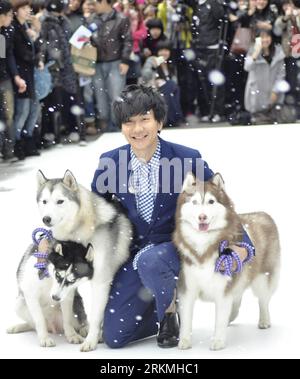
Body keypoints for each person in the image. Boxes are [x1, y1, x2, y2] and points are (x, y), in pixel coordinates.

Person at [91, 84, 254, 349]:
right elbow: (92, 210)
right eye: (129, 122)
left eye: (145, 119)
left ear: (159, 122)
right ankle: (158, 302)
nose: (137, 129)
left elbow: (220, 205)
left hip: (175, 250)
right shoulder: (111, 162)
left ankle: (169, 314)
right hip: (133, 255)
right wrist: (50, 240)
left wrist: (242, 245)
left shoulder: (186, 159)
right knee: (115, 336)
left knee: (153, 260)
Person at [244, 29, 285, 114]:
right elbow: (247, 67)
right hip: (256, 95)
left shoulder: (278, 52)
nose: (265, 40)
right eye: (262, 37)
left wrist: (275, 91)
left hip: (273, 95)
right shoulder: (252, 51)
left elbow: (281, 75)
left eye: (267, 36)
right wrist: (256, 52)